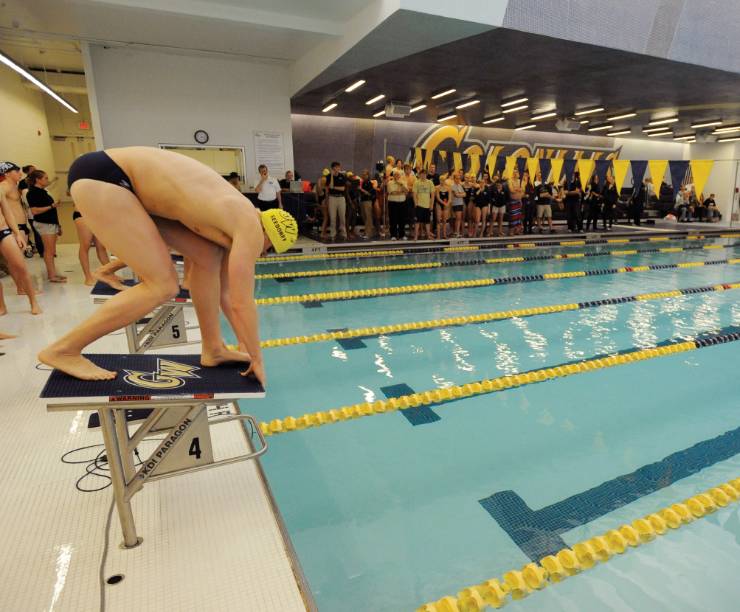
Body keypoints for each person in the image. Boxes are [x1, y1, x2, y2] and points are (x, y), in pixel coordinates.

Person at [38, 147, 298, 383]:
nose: (262, 255)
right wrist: (258, 357)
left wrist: (245, 342)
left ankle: (213, 348)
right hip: (107, 177)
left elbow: (227, 295)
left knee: (208, 257)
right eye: (269, 250)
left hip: (123, 182)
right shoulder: (250, 227)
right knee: (162, 286)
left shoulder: (234, 216)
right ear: (269, 235)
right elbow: (243, 303)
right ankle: (64, 349)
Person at [0, 162, 42, 314]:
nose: (19, 173)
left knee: (20, 266)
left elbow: (7, 212)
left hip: (3, 230)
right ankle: (2, 306)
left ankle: (33, 303)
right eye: (15, 171)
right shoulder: (4, 187)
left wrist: (17, 233)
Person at [26, 169, 67, 283]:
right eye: (45, 178)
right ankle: (52, 275)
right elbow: (34, 211)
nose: (47, 180)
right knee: (49, 251)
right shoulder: (33, 192)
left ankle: (54, 273)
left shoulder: (42, 191)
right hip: (44, 223)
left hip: (50, 223)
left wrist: (58, 225)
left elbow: (51, 209)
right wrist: (52, 206)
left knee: (52, 250)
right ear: (38, 180)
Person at [72, 205, 115, 287]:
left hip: (97, 215)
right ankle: (88, 277)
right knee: (85, 245)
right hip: (82, 213)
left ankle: (111, 274)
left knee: (101, 247)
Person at [326, 162, 347, 241]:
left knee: (342, 217)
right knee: (332, 217)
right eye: (337, 167)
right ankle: (332, 235)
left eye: (339, 167)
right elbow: (329, 186)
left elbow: (343, 189)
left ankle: (343, 233)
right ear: (333, 168)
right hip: (332, 198)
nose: (339, 168)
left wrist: (334, 187)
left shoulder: (342, 176)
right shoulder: (328, 176)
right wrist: (331, 175)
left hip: (341, 198)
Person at [412, 167, 435, 240]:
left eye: (424, 174)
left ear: (426, 175)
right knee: (417, 222)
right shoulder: (416, 182)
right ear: (419, 175)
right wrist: (416, 203)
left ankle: (428, 235)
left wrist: (431, 205)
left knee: (427, 222)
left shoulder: (430, 182)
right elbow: (414, 194)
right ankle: (416, 236)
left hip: (427, 205)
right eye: (421, 174)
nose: (423, 176)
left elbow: (433, 195)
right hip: (419, 205)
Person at [386, 169, 408, 240]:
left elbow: (406, 191)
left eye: (398, 175)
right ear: (393, 175)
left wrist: (401, 184)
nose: (397, 176)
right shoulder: (390, 183)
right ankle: (393, 235)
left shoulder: (403, 182)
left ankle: (402, 235)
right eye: (395, 175)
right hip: (393, 203)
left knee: (402, 219)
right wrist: (401, 192)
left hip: (402, 202)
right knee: (393, 219)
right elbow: (392, 192)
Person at [470, 172, 491, 237]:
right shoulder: (476, 189)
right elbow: (474, 197)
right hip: (478, 205)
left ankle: (481, 233)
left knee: (484, 219)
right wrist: (479, 189)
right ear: (479, 183)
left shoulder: (487, 189)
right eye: (480, 182)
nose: (482, 183)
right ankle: (475, 233)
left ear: (484, 182)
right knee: (477, 220)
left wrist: (489, 208)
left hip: (485, 205)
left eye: (483, 182)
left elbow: (489, 199)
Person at [359, 169, 376, 239]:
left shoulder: (369, 183)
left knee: (368, 217)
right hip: (362, 201)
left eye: (365, 174)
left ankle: (369, 233)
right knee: (364, 217)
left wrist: (361, 189)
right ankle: (366, 231)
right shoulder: (362, 182)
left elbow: (369, 193)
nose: (363, 175)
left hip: (368, 201)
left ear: (368, 175)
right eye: (363, 174)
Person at [507, 169, 524, 236]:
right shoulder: (510, 181)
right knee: (513, 217)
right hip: (512, 201)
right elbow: (511, 190)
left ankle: (517, 230)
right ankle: (511, 231)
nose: (515, 174)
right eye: (514, 173)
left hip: (519, 201)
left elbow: (523, 191)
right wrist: (518, 189)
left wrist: (516, 189)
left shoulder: (521, 181)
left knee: (518, 217)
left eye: (516, 172)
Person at [435, 174, 451, 239]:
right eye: (441, 180)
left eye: (443, 180)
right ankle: (438, 236)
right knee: (438, 221)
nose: (442, 181)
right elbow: (438, 198)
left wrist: (447, 204)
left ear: (445, 181)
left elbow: (450, 198)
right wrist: (444, 204)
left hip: (446, 205)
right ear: (439, 180)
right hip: (439, 204)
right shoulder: (437, 187)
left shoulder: (448, 188)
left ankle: (444, 235)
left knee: (444, 221)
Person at [316, 168, 329, 239]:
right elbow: (327, 192)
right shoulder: (326, 180)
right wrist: (327, 201)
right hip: (324, 200)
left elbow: (316, 193)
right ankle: (322, 233)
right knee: (326, 218)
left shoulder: (319, 180)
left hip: (320, 200)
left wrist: (317, 202)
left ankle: (323, 232)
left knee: (325, 217)